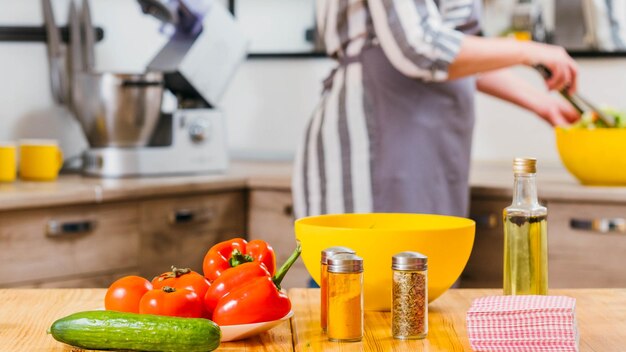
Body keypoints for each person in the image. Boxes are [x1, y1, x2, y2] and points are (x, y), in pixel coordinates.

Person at [291, 0, 579, 219]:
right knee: (366, 282)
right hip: (374, 142)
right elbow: (420, 47)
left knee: (419, 282)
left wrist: (542, 104)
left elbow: (456, 53)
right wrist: (527, 50)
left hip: (426, 146)